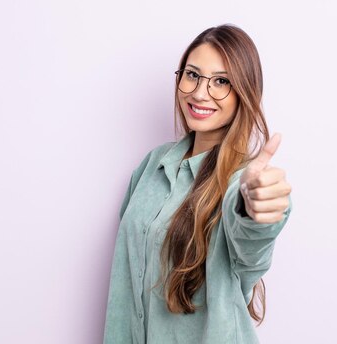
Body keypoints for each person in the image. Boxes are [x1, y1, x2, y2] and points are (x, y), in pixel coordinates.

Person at [103, 24, 293, 344]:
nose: (200, 92)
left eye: (221, 81)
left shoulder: (239, 184)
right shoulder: (152, 166)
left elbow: (252, 251)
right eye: (192, 75)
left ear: (244, 92)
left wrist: (257, 209)